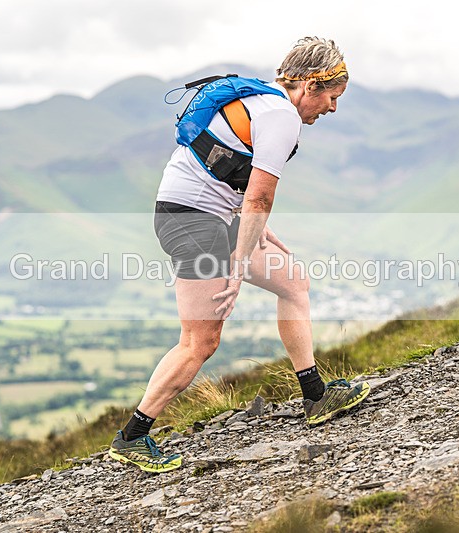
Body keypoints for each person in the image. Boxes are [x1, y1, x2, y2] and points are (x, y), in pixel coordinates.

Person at [108, 37, 370, 473]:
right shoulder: (282, 116)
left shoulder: (263, 101)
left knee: (293, 283)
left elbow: (235, 178)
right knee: (200, 342)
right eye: (330, 96)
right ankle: (132, 438)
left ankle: (316, 396)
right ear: (309, 84)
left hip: (205, 215)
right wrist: (238, 261)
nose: (331, 108)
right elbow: (259, 197)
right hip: (192, 223)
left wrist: (255, 233)